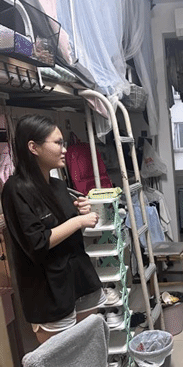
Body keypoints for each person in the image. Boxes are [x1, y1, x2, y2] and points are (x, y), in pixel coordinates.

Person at [1, 114, 105, 344]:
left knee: (88, 347)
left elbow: (65, 230)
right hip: (49, 292)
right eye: (58, 143)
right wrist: (77, 222)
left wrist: (79, 212)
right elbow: (37, 242)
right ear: (33, 147)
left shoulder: (57, 185)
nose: (64, 149)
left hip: (79, 279)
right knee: (62, 359)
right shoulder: (15, 190)